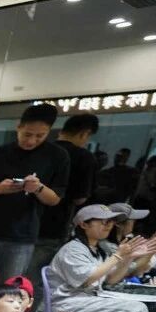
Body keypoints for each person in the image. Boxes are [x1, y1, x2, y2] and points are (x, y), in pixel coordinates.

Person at [0, 103, 70, 311]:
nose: (32, 140)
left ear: (49, 132)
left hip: (23, 235)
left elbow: (55, 199)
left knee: (10, 293)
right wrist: (0, 188)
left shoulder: (57, 157)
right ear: (18, 127)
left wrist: (38, 188)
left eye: (40, 136)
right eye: (27, 134)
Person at [29, 114, 100, 282]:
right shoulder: (83, 157)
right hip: (53, 225)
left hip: (23, 222)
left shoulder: (39, 150)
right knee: (38, 278)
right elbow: (80, 198)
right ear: (84, 133)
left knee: (15, 275)